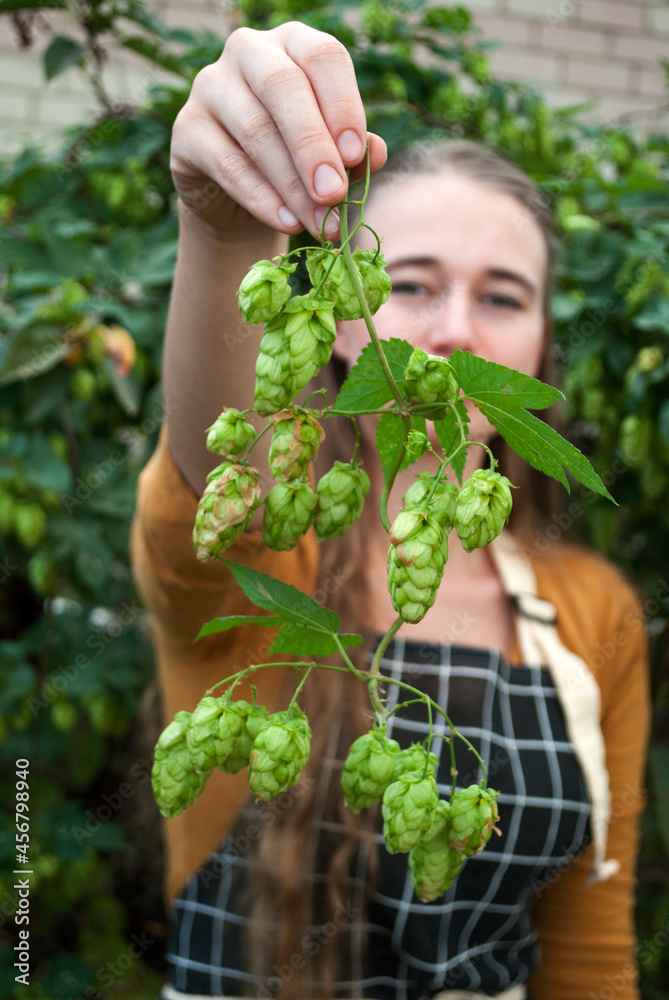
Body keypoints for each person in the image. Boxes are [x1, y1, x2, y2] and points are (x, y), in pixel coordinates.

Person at [129, 21, 651, 1000]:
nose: (452, 330)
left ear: (542, 348)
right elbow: (214, 476)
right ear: (335, 317)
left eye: (503, 297)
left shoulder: (595, 615)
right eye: (408, 284)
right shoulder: (274, 535)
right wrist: (225, 224)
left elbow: (587, 955)